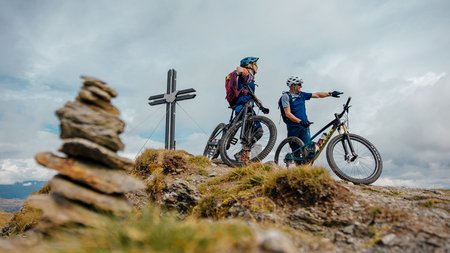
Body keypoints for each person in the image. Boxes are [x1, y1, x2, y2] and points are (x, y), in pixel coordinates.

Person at [280, 75, 342, 157]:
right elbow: (288, 113)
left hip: (304, 126)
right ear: (292, 85)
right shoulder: (286, 96)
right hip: (293, 127)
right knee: (296, 152)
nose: (301, 86)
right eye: (299, 84)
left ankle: (314, 149)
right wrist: (300, 121)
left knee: (309, 150)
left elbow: (317, 95)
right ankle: (297, 165)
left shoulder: (301, 95)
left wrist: (330, 94)